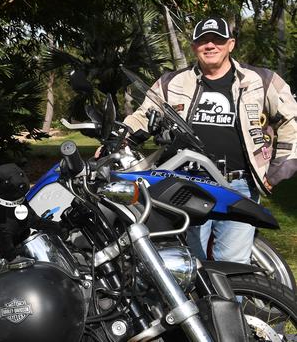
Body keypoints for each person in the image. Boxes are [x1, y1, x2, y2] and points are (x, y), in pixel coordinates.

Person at [123, 17, 297, 264]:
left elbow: (292, 120)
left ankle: (230, 303)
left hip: (238, 184)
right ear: (194, 46)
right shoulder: (171, 83)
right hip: (184, 183)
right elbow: (143, 116)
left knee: (232, 263)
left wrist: (279, 170)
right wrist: (120, 139)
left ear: (231, 44)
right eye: (203, 41)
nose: (210, 45)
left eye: (217, 39)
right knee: (185, 262)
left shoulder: (261, 80)